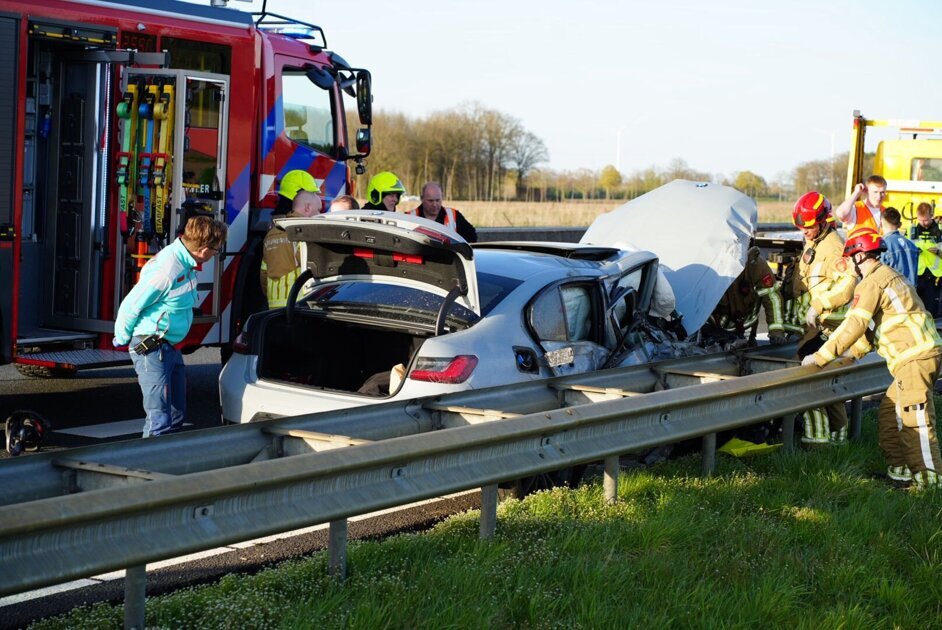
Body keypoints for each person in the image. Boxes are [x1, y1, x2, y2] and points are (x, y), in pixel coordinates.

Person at [803, 227, 942, 490]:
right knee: (890, 415)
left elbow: (855, 323)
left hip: (914, 359)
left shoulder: (872, 282)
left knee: (916, 422)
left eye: (851, 258)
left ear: (858, 256)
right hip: (915, 358)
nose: (850, 267)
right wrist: (851, 355)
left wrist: (821, 357)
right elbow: (872, 330)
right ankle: (899, 474)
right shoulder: (888, 276)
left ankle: (930, 485)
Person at [114, 216, 228, 437]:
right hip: (151, 347)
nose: (216, 254)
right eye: (216, 251)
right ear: (205, 251)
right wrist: (122, 336)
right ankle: (149, 466)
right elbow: (131, 305)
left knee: (176, 415)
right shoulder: (168, 270)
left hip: (169, 347)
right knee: (159, 419)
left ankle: (171, 461)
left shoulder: (184, 261)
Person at [786, 191, 858, 445]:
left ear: (825, 220)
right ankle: (837, 437)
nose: (804, 232)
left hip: (829, 327)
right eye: (801, 228)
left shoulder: (834, 247)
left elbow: (849, 283)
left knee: (812, 381)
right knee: (824, 383)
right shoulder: (813, 242)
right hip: (815, 327)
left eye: (809, 227)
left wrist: (818, 306)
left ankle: (818, 442)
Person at [706, 246, 786, 346]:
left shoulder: (756, 266)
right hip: (714, 331)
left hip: (746, 328)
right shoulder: (708, 265)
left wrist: (776, 331)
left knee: (747, 356)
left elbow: (772, 298)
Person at [260, 189, 322, 308]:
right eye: (318, 209)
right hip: (298, 306)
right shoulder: (305, 233)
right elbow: (315, 269)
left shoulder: (272, 233)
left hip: (273, 305)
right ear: (308, 207)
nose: (319, 214)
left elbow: (264, 272)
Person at [408, 181, 477, 242]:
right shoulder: (409, 217)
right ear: (422, 198)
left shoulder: (454, 215)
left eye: (438, 200)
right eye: (430, 201)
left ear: (442, 197)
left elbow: (472, 237)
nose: (434, 205)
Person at [909, 202, 942, 315]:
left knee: (932, 310)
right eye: (920, 220)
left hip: (935, 276)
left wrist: (938, 252)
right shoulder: (911, 230)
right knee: (915, 307)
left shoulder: (940, 230)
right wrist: (914, 251)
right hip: (917, 275)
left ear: (932, 215)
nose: (923, 223)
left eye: (926, 220)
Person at [880, 207, 918, 285]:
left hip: (892, 293)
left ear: (881, 224)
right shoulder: (912, 245)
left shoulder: (882, 245)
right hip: (911, 293)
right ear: (900, 224)